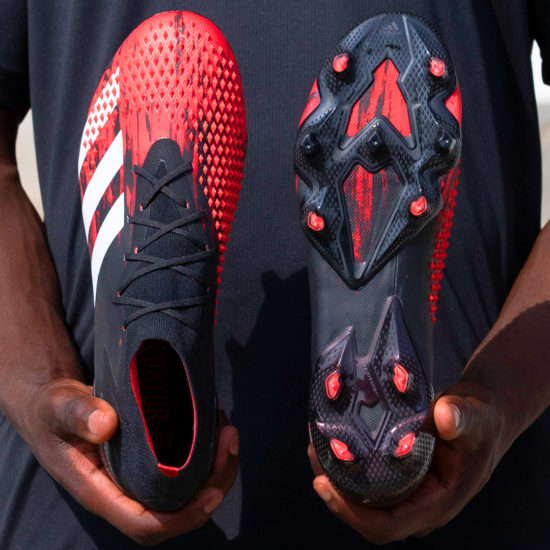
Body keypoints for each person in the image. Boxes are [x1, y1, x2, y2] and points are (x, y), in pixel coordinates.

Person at [0, 1, 548, 548]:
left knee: (147, 448)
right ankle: (387, 460)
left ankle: (153, 451)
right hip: (466, 485)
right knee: (400, 452)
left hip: (87, 496)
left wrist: (505, 395)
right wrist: (33, 385)